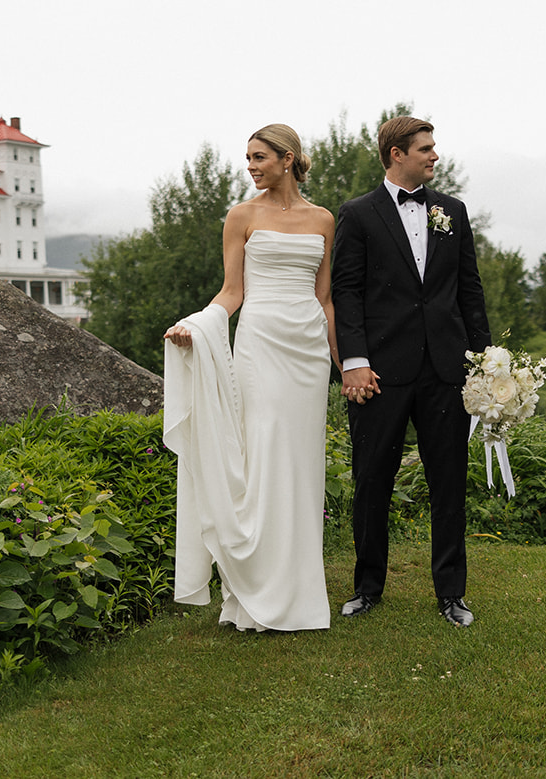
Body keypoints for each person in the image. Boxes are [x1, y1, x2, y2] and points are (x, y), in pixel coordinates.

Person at [162, 124, 337, 631]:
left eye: (259, 157)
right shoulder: (241, 215)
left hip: (306, 348)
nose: (251, 166)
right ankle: (252, 586)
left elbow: (325, 299)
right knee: (262, 452)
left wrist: (342, 359)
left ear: (288, 159)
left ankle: (300, 589)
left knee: (301, 462)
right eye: (248, 158)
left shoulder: (324, 219)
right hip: (260, 344)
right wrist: (195, 325)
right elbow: (231, 292)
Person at [331, 115, 490, 627]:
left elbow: (469, 290)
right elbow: (346, 293)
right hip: (378, 372)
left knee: (448, 483)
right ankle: (367, 587)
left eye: (434, 148)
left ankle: (451, 594)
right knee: (371, 481)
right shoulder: (357, 215)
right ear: (396, 153)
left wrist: (483, 363)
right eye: (426, 148)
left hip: (445, 369)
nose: (435, 156)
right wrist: (353, 363)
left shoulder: (453, 211)